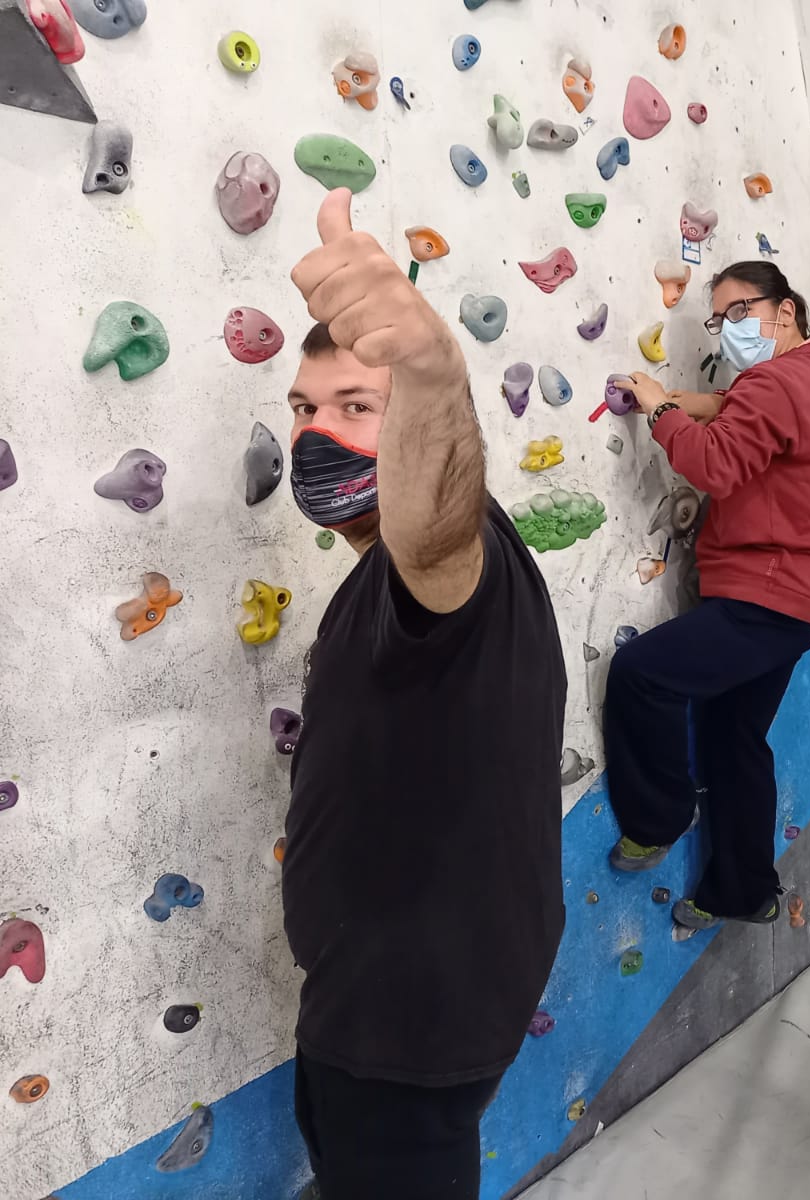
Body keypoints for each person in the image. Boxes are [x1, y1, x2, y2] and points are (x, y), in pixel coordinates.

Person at [280, 189, 566, 1199]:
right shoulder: (376, 581)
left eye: (357, 408)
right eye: (306, 411)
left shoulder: (446, 565)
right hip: (377, 1005)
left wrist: (435, 377)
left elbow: (433, 524)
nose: (318, 435)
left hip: (411, 1028)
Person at [603, 261, 810, 932]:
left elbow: (715, 463)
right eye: (720, 320)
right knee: (732, 736)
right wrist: (698, 401)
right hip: (805, 598)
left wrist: (659, 408)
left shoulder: (773, 383)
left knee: (641, 675)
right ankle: (743, 891)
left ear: (787, 310)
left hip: (767, 594)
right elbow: (758, 414)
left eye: (741, 312)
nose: (729, 330)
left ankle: (659, 820)